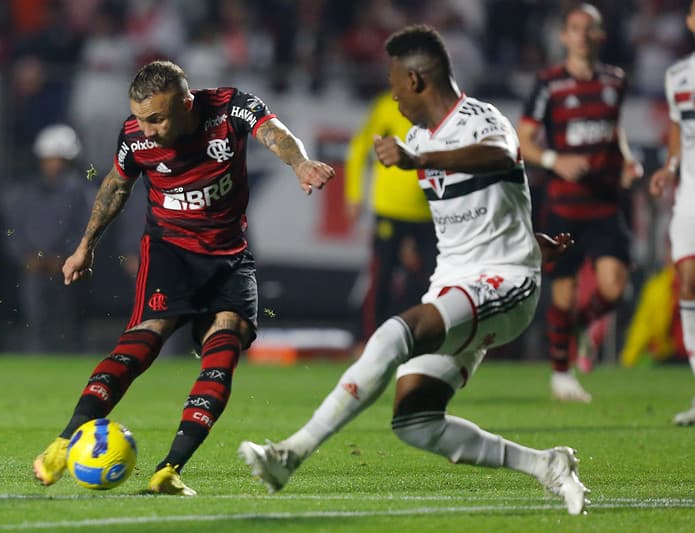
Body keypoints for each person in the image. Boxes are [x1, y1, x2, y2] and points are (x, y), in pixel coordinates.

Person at [239, 25, 590, 516]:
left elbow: (501, 156)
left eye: (394, 84)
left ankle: (289, 454)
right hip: (455, 282)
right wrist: (533, 239)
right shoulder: (418, 137)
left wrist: (420, 160)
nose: (393, 95)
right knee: (415, 422)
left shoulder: (479, 119)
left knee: (391, 334)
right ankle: (546, 465)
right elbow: (487, 203)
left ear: (417, 79)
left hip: (506, 279)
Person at [32, 60, 335, 495]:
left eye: (157, 119)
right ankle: (63, 444)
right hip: (169, 253)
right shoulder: (135, 136)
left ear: (186, 104)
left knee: (224, 351)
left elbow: (274, 132)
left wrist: (300, 164)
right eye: (140, 118)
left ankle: (169, 470)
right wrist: (86, 246)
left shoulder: (228, 109)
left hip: (230, 258)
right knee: (144, 341)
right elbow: (116, 186)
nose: (148, 130)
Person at [517, 3, 643, 402]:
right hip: (564, 204)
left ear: (600, 35)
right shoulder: (549, 84)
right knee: (564, 292)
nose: (582, 36)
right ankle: (561, 374)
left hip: (605, 202)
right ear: (563, 36)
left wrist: (628, 161)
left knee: (614, 288)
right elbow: (524, 140)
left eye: (590, 29)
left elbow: (614, 131)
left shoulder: (615, 81)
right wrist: (556, 160)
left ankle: (583, 328)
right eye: (575, 28)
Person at [345, 91, 436, 340]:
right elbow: (359, 147)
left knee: (433, 281)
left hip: (428, 212)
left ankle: (426, 339)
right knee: (381, 277)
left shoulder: (437, 106)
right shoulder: (386, 107)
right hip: (390, 209)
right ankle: (369, 340)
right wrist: (354, 194)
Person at [2, 124, 91, 353]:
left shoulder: (80, 194)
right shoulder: (25, 193)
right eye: (49, 159)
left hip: (68, 269)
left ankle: (70, 360)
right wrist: (25, 257)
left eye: (58, 159)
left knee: (69, 323)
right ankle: (34, 358)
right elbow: (14, 229)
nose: (53, 164)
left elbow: (86, 230)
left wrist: (67, 257)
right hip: (33, 269)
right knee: (35, 321)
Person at [649, 0, 695, 426]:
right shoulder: (678, 76)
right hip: (691, 193)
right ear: (690, 21)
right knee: (688, 280)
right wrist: (670, 167)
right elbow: (679, 131)